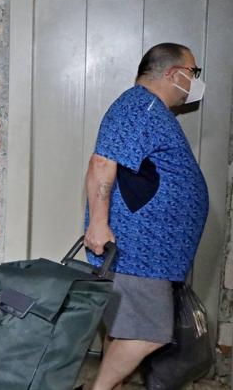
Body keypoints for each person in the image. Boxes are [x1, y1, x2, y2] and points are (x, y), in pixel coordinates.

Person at [83, 43, 209, 390]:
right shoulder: (140, 107)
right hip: (139, 252)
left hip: (149, 253)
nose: (195, 81)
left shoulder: (150, 109)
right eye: (193, 72)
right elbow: (101, 164)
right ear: (173, 73)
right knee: (150, 333)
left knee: (125, 328)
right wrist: (97, 224)